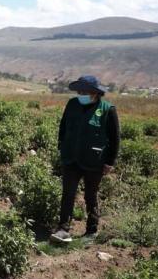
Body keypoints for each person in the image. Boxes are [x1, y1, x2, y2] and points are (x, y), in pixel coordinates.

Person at [50, 75, 120, 244]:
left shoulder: (107, 109)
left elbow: (115, 138)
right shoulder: (72, 104)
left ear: (95, 93)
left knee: (91, 195)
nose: (80, 93)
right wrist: (62, 146)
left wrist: (110, 162)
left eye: (84, 91)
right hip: (71, 158)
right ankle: (63, 229)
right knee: (68, 194)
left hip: (94, 160)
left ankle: (92, 229)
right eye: (79, 90)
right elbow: (63, 126)